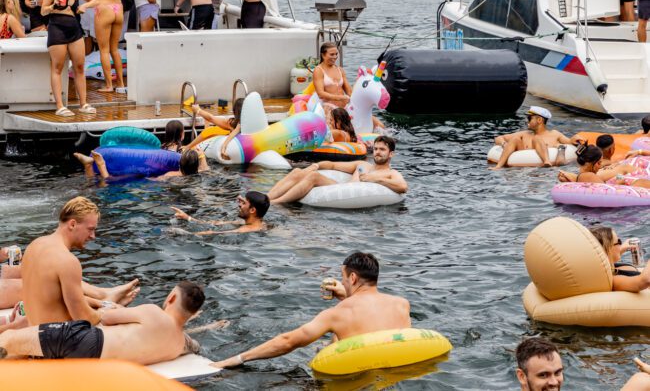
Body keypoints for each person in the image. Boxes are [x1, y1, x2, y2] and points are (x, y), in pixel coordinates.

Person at [213, 252, 410, 369]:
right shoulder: (402, 304)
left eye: (343, 278)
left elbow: (288, 341)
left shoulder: (338, 313)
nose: (342, 282)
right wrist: (347, 297)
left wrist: (238, 359)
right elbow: (372, 325)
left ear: (352, 278)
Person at [0, 281, 205, 366]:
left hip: (85, 340)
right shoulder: (180, 344)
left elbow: (106, 318)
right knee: (25, 350)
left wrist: (111, 306)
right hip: (97, 360)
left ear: (170, 298)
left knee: (9, 339)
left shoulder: (153, 313)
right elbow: (194, 345)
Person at [21, 196, 140, 326]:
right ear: (72, 224)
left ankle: (104, 297)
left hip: (36, 331)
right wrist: (105, 311)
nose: (93, 236)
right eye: (90, 229)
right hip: (58, 341)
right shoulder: (67, 261)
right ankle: (107, 299)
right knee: (133, 322)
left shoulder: (34, 245)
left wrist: (102, 304)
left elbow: (54, 299)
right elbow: (84, 318)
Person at [268, 135, 406, 205]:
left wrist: (375, 179)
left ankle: (276, 203)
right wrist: (315, 165)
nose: (377, 152)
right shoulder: (362, 165)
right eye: (376, 149)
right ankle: (267, 198)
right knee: (298, 172)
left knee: (313, 177)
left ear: (391, 154)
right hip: (341, 187)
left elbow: (403, 187)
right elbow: (333, 166)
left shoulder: (391, 173)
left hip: (352, 194)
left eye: (382, 149)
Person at [41, 0, 99, 117]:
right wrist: (54, 5)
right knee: (58, 68)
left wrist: (84, 7)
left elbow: (96, 0)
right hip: (57, 28)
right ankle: (60, 106)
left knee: (79, 67)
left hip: (74, 29)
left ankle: (83, 104)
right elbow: (43, 11)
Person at [82, 0, 125, 93]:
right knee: (115, 49)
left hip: (103, 9)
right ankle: (121, 84)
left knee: (104, 50)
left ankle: (109, 85)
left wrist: (95, 0)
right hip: (118, 9)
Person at [490, 106, 577, 169]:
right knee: (515, 138)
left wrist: (576, 139)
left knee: (537, 138)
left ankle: (546, 161)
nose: (527, 121)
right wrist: (504, 144)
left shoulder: (554, 134)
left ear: (539, 120)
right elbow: (498, 138)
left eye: (529, 118)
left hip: (542, 173)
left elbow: (570, 142)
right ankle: (499, 166)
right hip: (521, 170)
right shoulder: (524, 134)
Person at [75, 148, 203, 182]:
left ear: (179, 163)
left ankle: (97, 165)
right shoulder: (199, 174)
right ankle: (90, 165)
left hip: (145, 181)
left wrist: (147, 176)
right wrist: (202, 157)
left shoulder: (172, 174)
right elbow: (205, 168)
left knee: (108, 181)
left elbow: (156, 180)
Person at [171, 191, 270, 234]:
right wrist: (187, 217)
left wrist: (184, 233)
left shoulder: (245, 229)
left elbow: (214, 232)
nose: (239, 205)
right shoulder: (259, 224)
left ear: (252, 210)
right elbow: (215, 224)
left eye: (244, 203)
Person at [589, 226, 650, 291]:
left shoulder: (608, 265)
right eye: (619, 242)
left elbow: (605, 256)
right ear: (608, 248)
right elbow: (644, 281)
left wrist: (622, 249)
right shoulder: (613, 280)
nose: (621, 245)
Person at [313, 42, 352, 121]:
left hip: (345, 107)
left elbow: (349, 92)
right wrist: (340, 98)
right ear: (323, 55)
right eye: (332, 54)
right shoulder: (318, 70)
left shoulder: (340, 70)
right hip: (329, 107)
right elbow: (321, 94)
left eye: (336, 54)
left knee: (378, 123)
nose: (335, 57)